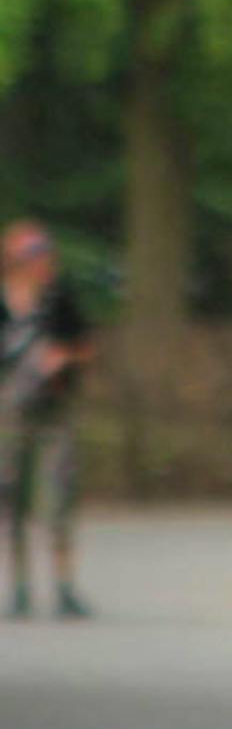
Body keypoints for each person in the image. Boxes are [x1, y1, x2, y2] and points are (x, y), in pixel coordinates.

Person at [1, 220, 94, 619]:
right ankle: (19, 587)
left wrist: (64, 357)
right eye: (35, 256)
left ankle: (64, 586)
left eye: (46, 255)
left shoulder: (59, 299)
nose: (44, 264)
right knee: (12, 497)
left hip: (54, 410)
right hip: (8, 413)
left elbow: (87, 346)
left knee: (59, 494)